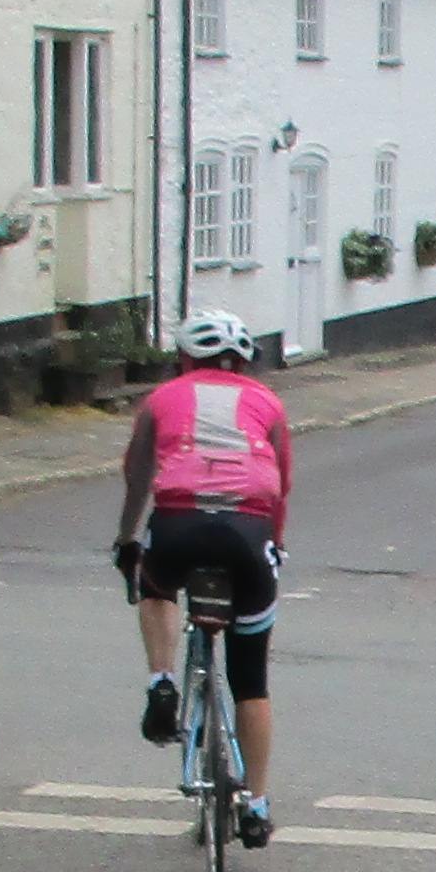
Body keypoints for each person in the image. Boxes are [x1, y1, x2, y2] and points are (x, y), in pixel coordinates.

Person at [117, 311, 291, 841]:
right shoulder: (270, 404)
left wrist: (128, 540)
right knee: (251, 682)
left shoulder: (160, 399)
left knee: (157, 583)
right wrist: (275, 545)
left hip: (178, 523)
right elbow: (281, 486)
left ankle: (162, 681)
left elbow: (137, 475)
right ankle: (256, 806)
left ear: (184, 360)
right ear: (245, 363)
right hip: (249, 529)